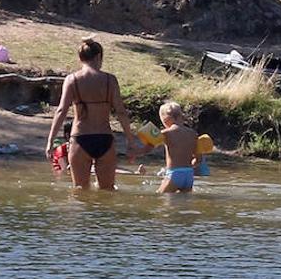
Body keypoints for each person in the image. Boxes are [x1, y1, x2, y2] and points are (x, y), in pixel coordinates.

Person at [45, 37, 136, 190]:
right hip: (105, 138)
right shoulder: (110, 80)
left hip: (80, 138)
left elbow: (61, 111)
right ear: (99, 56)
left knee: (80, 191)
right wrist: (130, 141)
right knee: (107, 192)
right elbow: (121, 112)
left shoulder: (72, 79)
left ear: (80, 58)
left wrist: (50, 141)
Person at [141, 101, 199, 193]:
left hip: (174, 173)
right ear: (181, 116)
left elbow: (147, 149)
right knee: (184, 204)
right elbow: (197, 160)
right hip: (189, 175)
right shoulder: (193, 134)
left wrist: (135, 151)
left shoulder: (166, 133)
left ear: (165, 120)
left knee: (160, 196)